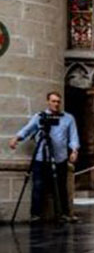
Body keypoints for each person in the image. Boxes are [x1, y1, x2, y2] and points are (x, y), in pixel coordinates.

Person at [9, 91, 80, 222]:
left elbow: (73, 137)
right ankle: (35, 215)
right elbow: (28, 129)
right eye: (53, 101)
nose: (56, 104)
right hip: (41, 157)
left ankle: (64, 214)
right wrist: (16, 138)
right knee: (38, 186)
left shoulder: (68, 118)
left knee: (61, 187)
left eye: (58, 101)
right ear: (48, 102)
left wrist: (74, 151)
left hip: (60, 157)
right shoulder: (39, 117)